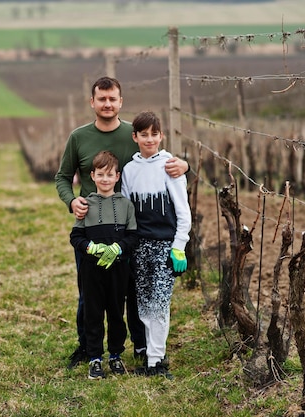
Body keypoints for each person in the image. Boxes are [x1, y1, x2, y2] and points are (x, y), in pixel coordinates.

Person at [55, 76, 190, 370]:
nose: (107, 104)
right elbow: (63, 178)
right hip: (91, 224)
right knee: (89, 291)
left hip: (130, 231)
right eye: (101, 99)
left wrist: (185, 165)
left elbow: (159, 159)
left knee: (128, 289)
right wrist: (71, 201)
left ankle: (140, 348)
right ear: (92, 102)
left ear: (120, 102)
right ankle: (87, 348)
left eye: (112, 99)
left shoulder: (136, 132)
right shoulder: (79, 137)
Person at [120, 111, 191, 379]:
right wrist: (126, 246)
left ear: (161, 136)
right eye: (143, 134)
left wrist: (179, 246)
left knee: (159, 304)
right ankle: (151, 355)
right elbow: (127, 211)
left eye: (154, 134)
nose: (149, 139)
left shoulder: (170, 166)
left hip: (164, 246)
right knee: (144, 303)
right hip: (139, 246)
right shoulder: (129, 170)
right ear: (135, 137)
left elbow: (183, 211)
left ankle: (156, 362)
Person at [69, 151, 139, 379]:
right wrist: (90, 247)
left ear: (117, 176)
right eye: (101, 174)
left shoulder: (126, 205)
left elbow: (133, 237)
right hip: (91, 270)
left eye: (110, 175)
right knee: (93, 313)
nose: (105, 179)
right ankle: (95, 357)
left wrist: (119, 248)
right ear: (92, 176)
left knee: (117, 313)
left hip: (118, 270)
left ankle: (116, 355)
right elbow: (75, 236)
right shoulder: (85, 205)